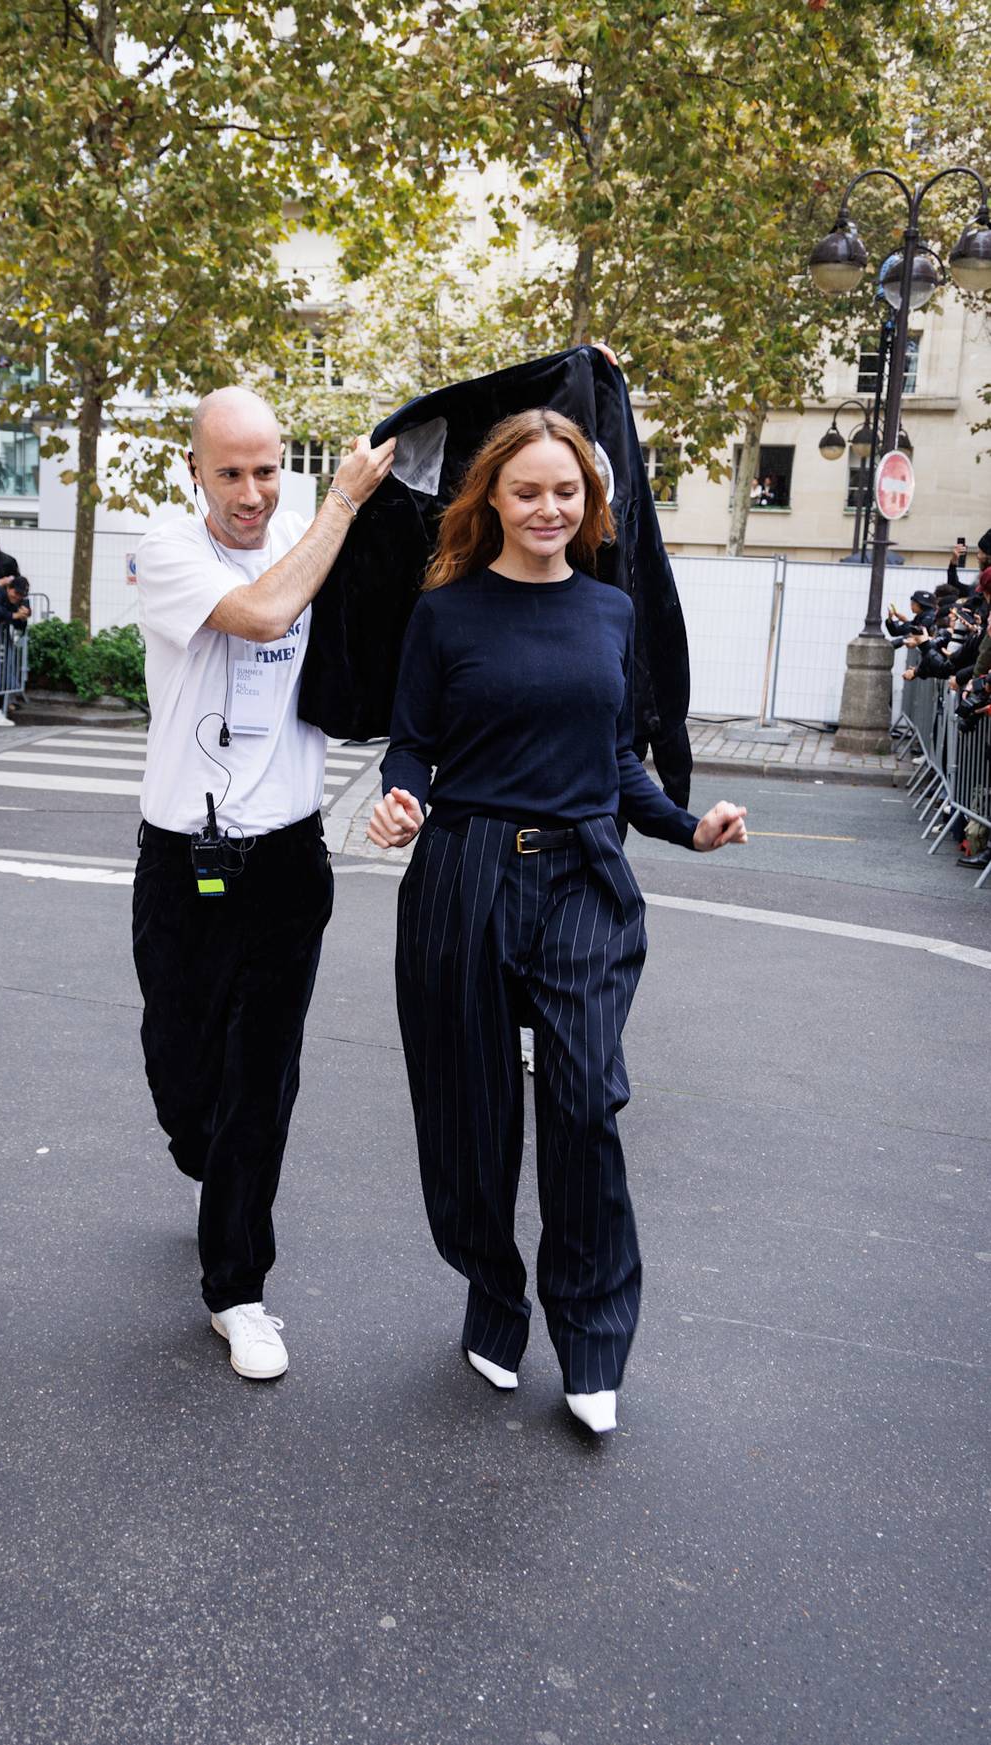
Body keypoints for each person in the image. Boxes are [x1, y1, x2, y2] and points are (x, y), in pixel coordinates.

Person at [366, 408, 747, 1436]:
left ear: (592, 502)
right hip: (463, 869)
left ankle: (590, 1337)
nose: (547, 507)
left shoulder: (610, 612)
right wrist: (400, 799)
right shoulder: (445, 614)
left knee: (583, 1101)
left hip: (584, 868)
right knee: (469, 1111)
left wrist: (684, 824)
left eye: (566, 491)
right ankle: (493, 1298)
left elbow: (621, 756)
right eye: (527, 489)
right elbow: (412, 745)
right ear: (490, 496)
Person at [132, 386, 395, 1384]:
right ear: (195, 471)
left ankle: (237, 1288)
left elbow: (442, 494)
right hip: (186, 862)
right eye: (231, 471)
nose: (252, 491)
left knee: (260, 1084)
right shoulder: (169, 547)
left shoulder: (311, 528)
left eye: (268, 467)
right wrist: (337, 508)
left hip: (287, 859)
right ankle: (206, 1161)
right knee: (183, 1072)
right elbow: (261, 611)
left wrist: (572, 383)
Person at [0, 574, 31, 725]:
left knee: (2, 675)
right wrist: (14, 615)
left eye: (21, 595)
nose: (17, 597)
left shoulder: (19, 601)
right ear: (9, 588)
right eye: (16, 593)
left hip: (1, 639)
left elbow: (20, 625)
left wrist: (22, 616)